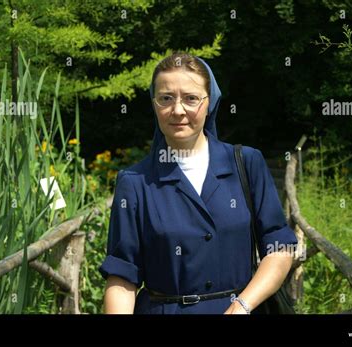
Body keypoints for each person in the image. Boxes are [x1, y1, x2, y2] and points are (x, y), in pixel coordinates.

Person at [99, 52, 298, 314]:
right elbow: (122, 276)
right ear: (154, 104)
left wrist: (242, 305)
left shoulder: (246, 164)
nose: (178, 110)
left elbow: (279, 248)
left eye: (191, 98)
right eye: (166, 98)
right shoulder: (135, 183)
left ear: (210, 102)